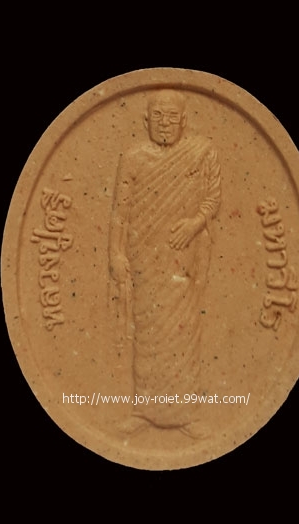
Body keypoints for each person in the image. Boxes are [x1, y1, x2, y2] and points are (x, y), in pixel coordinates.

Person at [109, 90, 221, 437]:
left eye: (171, 116)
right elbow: (120, 211)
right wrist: (115, 253)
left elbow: (213, 198)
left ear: (183, 121)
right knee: (146, 333)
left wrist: (194, 224)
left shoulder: (202, 152)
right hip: (144, 257)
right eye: (157, 116)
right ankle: (144, 411)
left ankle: (186, 415)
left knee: (184, 333)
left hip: (185, 258)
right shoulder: (133, 158)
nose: (164, 123)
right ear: (146, 121)